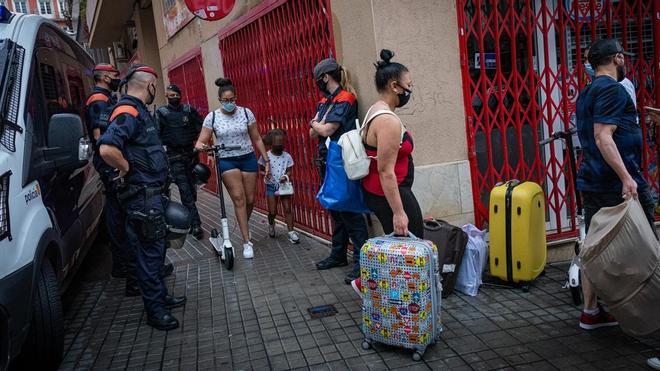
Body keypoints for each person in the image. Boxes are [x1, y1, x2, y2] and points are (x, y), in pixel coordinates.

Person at [575, 39, 657, 330]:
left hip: (594, 180)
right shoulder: (612, 89)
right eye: (624, 58)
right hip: (615, 183)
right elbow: (603, 136)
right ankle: (648, 316)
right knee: (645, 247)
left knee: (595, 247)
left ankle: (590, 312)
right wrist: (627, 178)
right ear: (618, 59)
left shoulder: (587, 92)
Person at [98, 64, 185, 331]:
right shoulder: (128, 111)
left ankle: (161, 298)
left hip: (152, 196)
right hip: (142, 199)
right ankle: (155, 312)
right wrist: (127, 168)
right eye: (155, 88)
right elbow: (106, 149)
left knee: (156, 252)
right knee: (149, 254)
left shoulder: (139, 111)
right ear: (149, 86)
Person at [350, 49, 424, 294]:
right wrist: (400, 212)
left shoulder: (377, 108)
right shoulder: (388, 121)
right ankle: (390, 296)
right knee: (409, 248)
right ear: (394, 86)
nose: (410, 90)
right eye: (408, 85)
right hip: (390, 192)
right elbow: (386, 171)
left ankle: (384, 292)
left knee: (399, 246)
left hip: (382, 191)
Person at [195, 78, 270, 259]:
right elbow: (201, 140)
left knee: (250, 199)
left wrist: (266, 160)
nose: (229, 103)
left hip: (247, 158)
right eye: (226, 101)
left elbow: (257, 137)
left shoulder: (246, 113)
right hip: (227, 160)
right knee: (239, 198)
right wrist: (202, 147)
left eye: (232, 99)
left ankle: (243, 222)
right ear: (220, 100)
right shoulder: (212, 117)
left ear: (236, 98)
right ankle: (246, 241)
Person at [310, 58, 368, 284]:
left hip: (341, 160)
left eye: (318, 79)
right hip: (328, 159)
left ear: (325, 77)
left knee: (348, 211)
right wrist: (318, 125)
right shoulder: (326, 101)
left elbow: (324, 129)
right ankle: (338, 255)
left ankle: (361, 263)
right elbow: (314, 133)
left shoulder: (345, 98)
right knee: (336, 209)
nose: (318, 83)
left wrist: (316, 123)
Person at [85, 63, 127, 278]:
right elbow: (99, 136)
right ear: (104, 78)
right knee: (118, 209)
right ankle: (122, 263)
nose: (117, 77)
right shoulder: (99, 101)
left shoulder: (106, 98)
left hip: (108, 160)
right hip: (108, 162)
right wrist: (115, 163)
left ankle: (124, 261)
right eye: (114, 74)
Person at [156, 84, 204, 239]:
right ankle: (196, 225)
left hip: (191, 155)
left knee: (191, 190)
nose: (174, 98)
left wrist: (199, 144)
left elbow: (201, 128)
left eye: (176, 95)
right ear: (166, 96)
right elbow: (157, 135)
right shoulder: (161, 113)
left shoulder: (189, 111)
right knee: (185, 192)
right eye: (171, 95)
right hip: (174, 157)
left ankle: (192, 215)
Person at [258, 129, 300, 244]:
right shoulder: (266, 156)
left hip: (284, 186)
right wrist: (266, 173)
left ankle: (291, 232)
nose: (280, 146)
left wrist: (285, 176)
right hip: (271, 186)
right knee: (273, 211)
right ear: (271, 143)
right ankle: (271, 224)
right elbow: (260, 170)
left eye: (282, 143)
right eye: (277, 144)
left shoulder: (287, 156)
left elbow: (289, 171)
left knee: (287, 209)